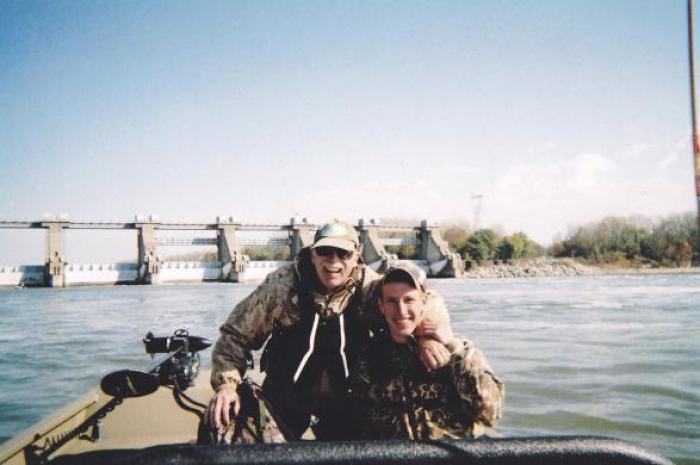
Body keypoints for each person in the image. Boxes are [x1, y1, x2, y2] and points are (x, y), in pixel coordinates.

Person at [206, 220, 454, 441]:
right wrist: (227, 385)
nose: (333, 260)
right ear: (312, 254)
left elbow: (426, 299)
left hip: (348, 404)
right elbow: (234, 336)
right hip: (283, 400)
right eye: (325, 251)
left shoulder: (370, 287)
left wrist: (428, 336)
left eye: (343, 253)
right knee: (224, 427)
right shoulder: (281, 287)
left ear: (356, 255)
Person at [353, 264, 504, 440]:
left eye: (409, 300)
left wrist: (454, 349)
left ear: (424, 302)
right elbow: (360, 420)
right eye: (392, 301)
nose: (401, 311)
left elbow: (489, 414)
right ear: (381, 305)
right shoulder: (369, 357)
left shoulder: (458, 351)